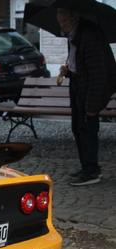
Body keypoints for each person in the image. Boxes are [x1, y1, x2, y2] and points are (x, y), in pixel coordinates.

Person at [56, 8, 116, 186]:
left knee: (87, 129)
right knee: (78, 128)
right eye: (60, 22)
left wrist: (92, 105)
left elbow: (98, 74)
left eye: (65, 21)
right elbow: (79, 63)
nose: (63, 26)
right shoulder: (75, 34)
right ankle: (87, 167)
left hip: (89, 89)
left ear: (76, 17)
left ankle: (91, 171)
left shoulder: (89, 35)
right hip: (78, 84)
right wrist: (68, 71)